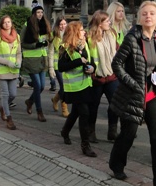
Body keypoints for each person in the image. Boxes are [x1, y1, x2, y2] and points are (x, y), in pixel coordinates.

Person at [109, 1, 156, 186]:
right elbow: (116, 64)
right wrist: (132, 83)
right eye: (144, 13)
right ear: (139, 17)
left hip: (153, 94)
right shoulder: (132, 39)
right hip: (133, 95)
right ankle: (116, 163)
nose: (148, 16)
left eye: (152, 13)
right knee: (128, 135)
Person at [58, 21, 97, 157]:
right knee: (84, 113)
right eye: (81, 30)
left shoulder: (85, 44)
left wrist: (92, 68)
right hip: (73, 88)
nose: (84, 32)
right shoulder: (65, 47)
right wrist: (78, 62)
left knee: (75, 112)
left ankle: (65, 131)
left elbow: (90, 62)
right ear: (74, 32)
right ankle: (85, 145)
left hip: (86, 84)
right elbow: (61, 67)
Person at [87, 10, 119, 142]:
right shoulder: (89, 38)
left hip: (111, 75)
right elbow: (86, 56)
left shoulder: (112, 34)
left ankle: (112, 131)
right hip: (96, 77)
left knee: (115, 104)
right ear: (99, 23)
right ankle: (90, 132)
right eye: (107, 21)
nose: (109, 23)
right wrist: (91, 72)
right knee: (93, 106)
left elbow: (118, 51)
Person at [20, 3, 52, 122]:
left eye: (42, 12)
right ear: (34, 14)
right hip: (31, 60)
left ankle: (30, 101)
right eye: (38, 12)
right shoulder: (27, 25)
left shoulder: (44, 24)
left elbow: (48, 39)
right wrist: (36, 45)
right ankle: (39, 111)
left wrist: (48, 42)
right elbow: (22, 43)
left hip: (42, 59)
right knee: (37, 86)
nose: (40, 14)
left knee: (42, 86)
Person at [0, 15, 22, 130]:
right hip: (2, 70)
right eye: (5, 22)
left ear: (11, 23)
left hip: (13, 69)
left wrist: (18, 62)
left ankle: (3, 107)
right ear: (2, 25)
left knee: (13, 94)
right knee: (5, 94)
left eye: (9, 22)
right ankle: (9, 118)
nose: (7, 24)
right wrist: (7, 62)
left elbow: (18, 53)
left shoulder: (17, 36)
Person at [48, 17, 68, 117]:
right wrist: (51, 67)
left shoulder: (69, 34)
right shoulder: (53, 36)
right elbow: (51, 53)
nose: (63, 26)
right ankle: (64, 108)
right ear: (57, 25)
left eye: (64, 24)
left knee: (66, 86)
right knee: (63, 87)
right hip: (57, 65)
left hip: (67, 65)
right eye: (61, 24)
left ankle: (55, 99)